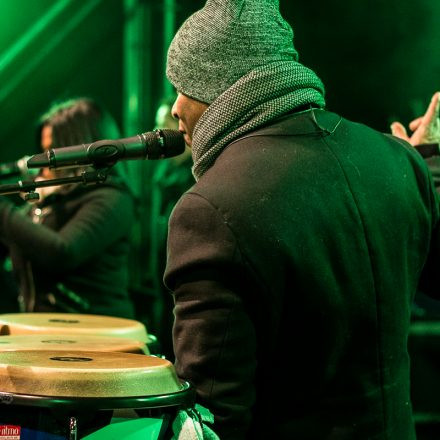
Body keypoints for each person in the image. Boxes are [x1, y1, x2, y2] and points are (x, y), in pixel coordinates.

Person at [163, 1, 440, 439]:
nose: (175, 108)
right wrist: (420, 165)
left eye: (184, 87)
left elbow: (214, 416)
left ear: (221, 87)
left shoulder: (210, 208)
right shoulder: (396, 160)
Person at [0, 97, 136, 318]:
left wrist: (3, 211)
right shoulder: (47, 203)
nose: (44, 163)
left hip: (97, 336)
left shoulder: (112, 198)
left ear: (82, 148)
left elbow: (63, 252)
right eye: (43, 151)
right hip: (43, 332)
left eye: (52, 152)